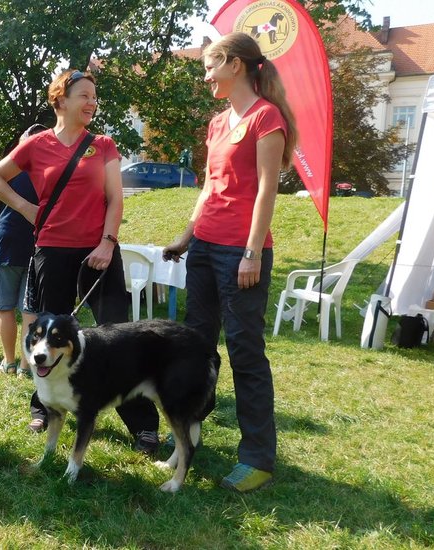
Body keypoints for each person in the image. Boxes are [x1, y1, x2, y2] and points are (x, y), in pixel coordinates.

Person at [0, 69, 160, 449]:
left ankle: (142, 421)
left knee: (121, 335)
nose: (92, 103)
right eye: (84, 95)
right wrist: (28, 209)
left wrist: (107, 242)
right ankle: (45, 405)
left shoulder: (105, 145)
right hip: (51, 250)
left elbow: (116, 198)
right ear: (60, 99)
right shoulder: (37, 145)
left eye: (95, 97)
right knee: (48, 333)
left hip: (99, 252)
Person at [162, 32, 296, 493]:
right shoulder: (219, 123)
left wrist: (252, 251)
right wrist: (185, 238)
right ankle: (187, 441)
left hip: (241, 252)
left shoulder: (266, 117)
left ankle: (257, 457)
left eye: (209, 66)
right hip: (203, 248)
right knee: (193, 349)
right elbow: (209, 188)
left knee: (244, 352)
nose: (206, 76)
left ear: (235, 65)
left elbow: (265, 190)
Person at [0, 124, 47, 377]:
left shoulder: (8, 170)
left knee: (5, 307)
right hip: (36, 244)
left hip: (6, 240)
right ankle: (25, 365)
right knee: (30, 310)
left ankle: (9, 362)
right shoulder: (48, 172)